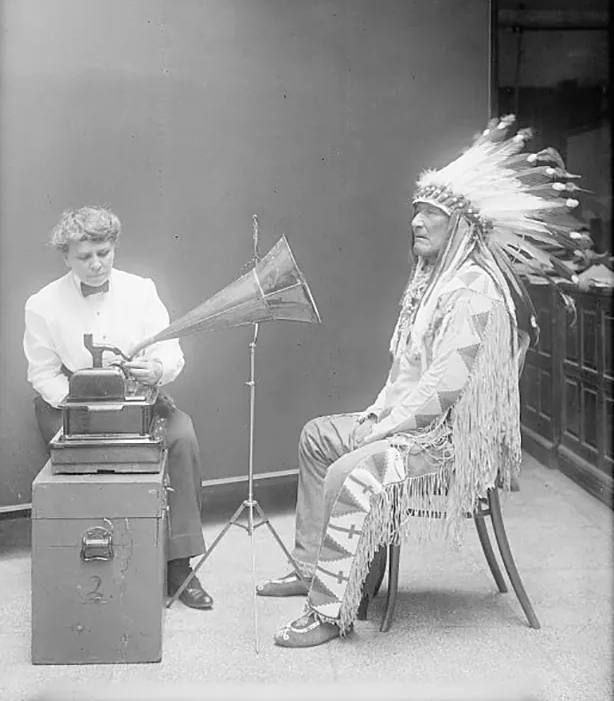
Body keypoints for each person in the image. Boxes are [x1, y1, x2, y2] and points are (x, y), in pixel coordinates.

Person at [257, 115, 583, 648]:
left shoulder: (475, 291)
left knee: (350, 469)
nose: (417, 222)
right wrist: (377, 414)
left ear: (462, 228)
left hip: (448, 444)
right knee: (320, 436)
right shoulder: (432, 282)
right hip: (412, 427)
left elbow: (444, 391)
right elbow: (406, 369)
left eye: (432, 213)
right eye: (417, 211)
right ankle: (312, 568)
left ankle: (328, 611)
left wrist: (383, 431)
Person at [23, 205, 213, 611]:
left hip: (135, 393)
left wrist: (157, 369)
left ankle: (177, 564)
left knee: (181, 438)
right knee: (85, 457)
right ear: (65, 257)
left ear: (114, 248)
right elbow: (41, 373)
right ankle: (94, 563)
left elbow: (169, 349)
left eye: (104, 253)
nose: (96, 265)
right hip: (72, 404)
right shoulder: (41, 304)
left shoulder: (141, 290)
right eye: (84, 257)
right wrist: (80, 402)